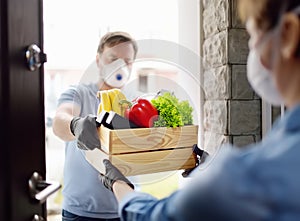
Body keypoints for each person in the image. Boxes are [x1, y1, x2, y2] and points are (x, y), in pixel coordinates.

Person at [99, 0, 300, 220]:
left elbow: (152, 216)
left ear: (288, 35)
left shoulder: (247, 177)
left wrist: (117, 180)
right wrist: (207, 166)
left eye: (252, 37)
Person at [52, 31, 138, 220]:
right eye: (113, 58)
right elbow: (60, 122)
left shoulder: (137, 103)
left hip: (126, 209)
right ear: (98, 61)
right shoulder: (78, 93)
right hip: (79, 212)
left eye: (127, 61)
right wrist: (76, 125)